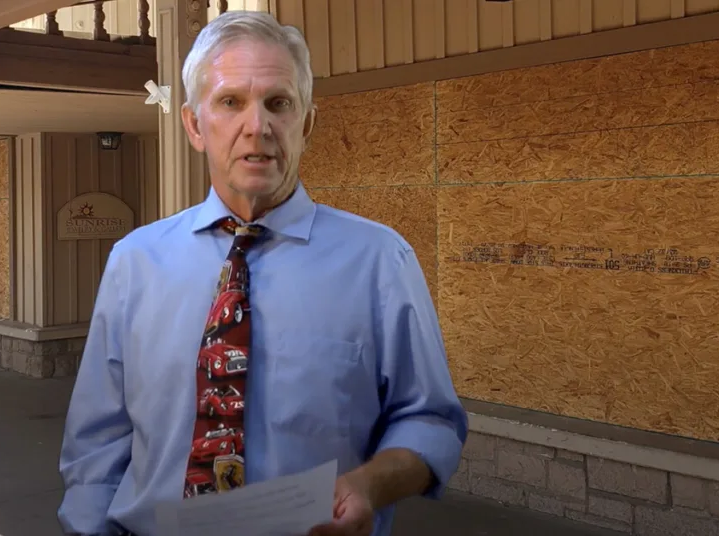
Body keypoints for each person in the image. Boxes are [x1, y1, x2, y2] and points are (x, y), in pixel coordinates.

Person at [58, 10, 467, 536]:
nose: (257, 126)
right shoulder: (134, 262)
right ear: (194, 125)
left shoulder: (380, 261)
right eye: (231, 102)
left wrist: (371, 484)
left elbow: (431, 421)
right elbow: (97, 444)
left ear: (306, 124)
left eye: (279, 103)